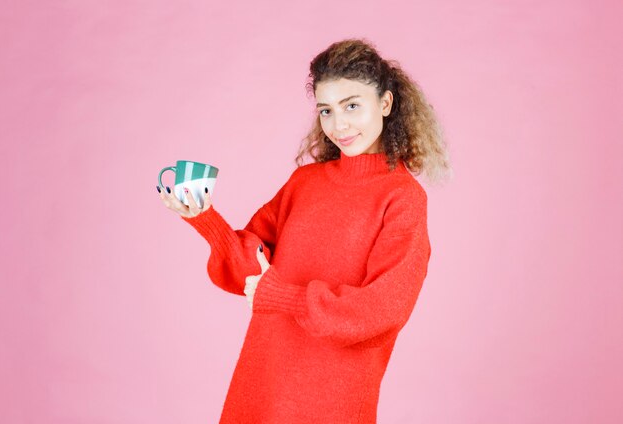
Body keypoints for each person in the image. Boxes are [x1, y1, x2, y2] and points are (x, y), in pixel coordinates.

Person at [157, 37, 452, 424]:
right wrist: (204, 218)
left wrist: (285, 298)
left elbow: (381, 309)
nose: (339, 124)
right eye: (326, 110)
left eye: (352, 106)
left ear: (385, 103)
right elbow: (253, 273)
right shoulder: (305, 182)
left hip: (333, 395)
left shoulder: (403, 198)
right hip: (263, 374)